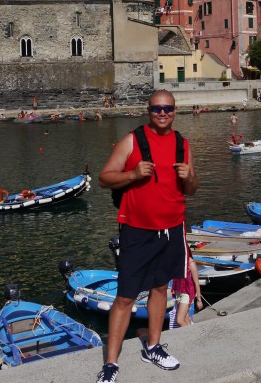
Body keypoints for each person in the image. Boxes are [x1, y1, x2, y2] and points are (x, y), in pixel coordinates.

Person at [96, 90, 198, 383]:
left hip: (173, 229)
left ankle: (153, 346)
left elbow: (192, 189)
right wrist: (133, 175)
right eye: (156, 109)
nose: (162, 113)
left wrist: (189, 176)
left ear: (175, 111)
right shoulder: (132, 140)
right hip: (137, 230)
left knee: (160, 288)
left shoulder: (183, 144)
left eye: (167, 108)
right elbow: (104, 178)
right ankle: (111, 364)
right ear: (149, 111)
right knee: (126, 297)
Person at [169, 254, 201, 329]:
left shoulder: (191, 263)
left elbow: (196, 283)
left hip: (187, 293)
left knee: (179, 320)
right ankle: (191, 334)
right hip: (177, 292)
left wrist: (199, 299)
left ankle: (190, 335)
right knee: (185, 318)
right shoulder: (177, 261)